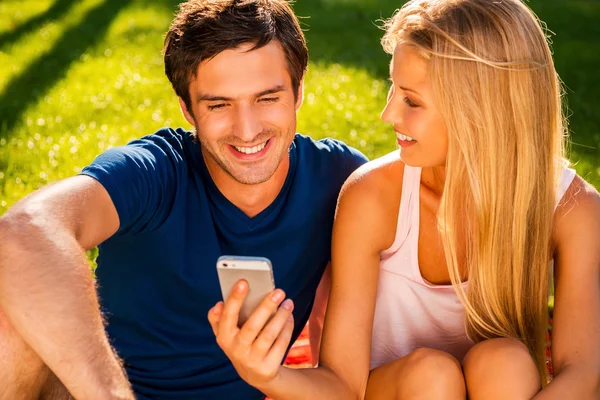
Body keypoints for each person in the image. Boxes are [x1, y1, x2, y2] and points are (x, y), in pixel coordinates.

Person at [208, 0, 600, 399]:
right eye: (393, 87)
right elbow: (342, 383)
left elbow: (582, 373)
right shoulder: (373, 196)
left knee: (507, 361)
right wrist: (264, 375)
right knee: (432, 375)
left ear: (481, 112)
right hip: (396, 389)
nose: (387, 113)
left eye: (411, 100)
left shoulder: (573, 209)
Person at [0, 0, 367, 399]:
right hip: (107, 388)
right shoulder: (152, 172)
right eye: (219, 105)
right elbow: (24, 230)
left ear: (298, 93)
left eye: (267, 98)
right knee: (9, 322)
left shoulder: (340, 179)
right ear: (187, 109)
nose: (247, 130)